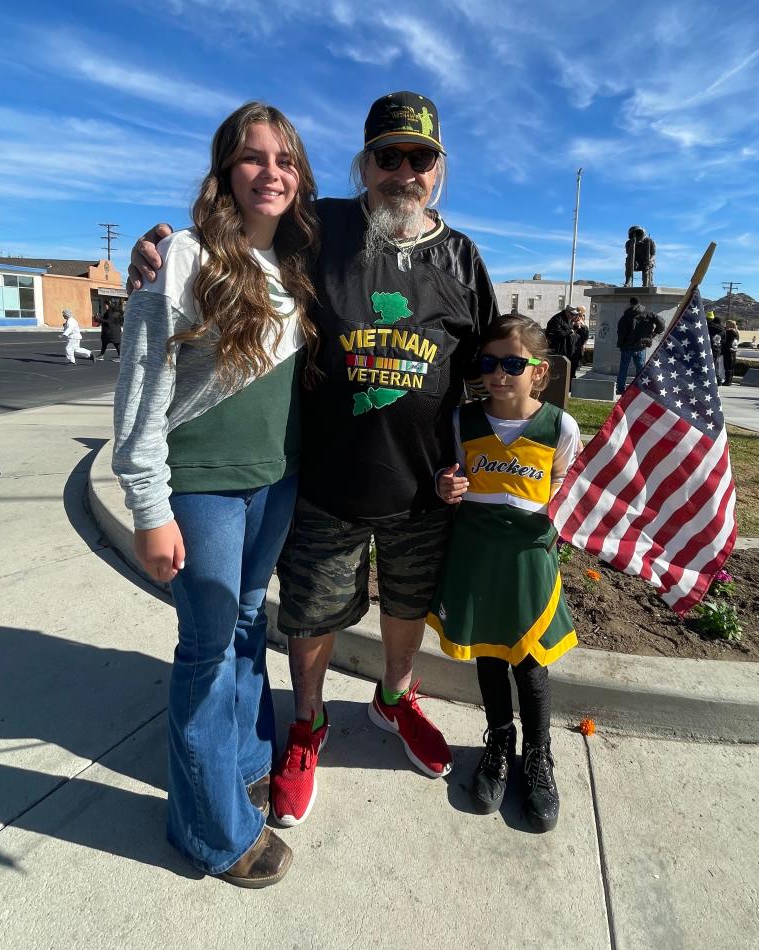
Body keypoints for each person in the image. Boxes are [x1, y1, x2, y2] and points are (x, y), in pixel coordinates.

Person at [127, 91, 499, 828]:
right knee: (310, 612)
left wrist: (496, 461)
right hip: (324, 479)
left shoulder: (462, 257)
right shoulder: (317, 227)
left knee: (404, 607)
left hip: (422, 485)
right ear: (364, 164)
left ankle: (395, 698)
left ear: (438, 170)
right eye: (387, 156)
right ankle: (307, 722)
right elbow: (238, 240)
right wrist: (159, 251)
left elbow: (488, 369)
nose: (403, 172)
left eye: (418, 158)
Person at [112, 102, 320, 887]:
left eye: (286, 160)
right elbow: (141, 386)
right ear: (225, 172)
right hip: (199, 488)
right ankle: (209, 832)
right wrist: (148, 507)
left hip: (275, 481)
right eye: (254, 158)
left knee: (242, 625)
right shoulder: (183, 258)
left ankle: (239, 764)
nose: (271, 172)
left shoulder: (293, 266)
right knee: (205, 648)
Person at [428, 314, 580, 830]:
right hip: (476, 555)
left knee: (531, 663)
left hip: (528, 562)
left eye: (512, 363)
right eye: (489, 363)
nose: (498, 373)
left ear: (538, 371)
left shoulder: (560, 425)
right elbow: (451, 476)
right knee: (489, 655)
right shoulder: (463, 420)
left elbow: (563, 488)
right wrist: (444, 486)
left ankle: (539, 755)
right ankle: (500, 741)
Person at [615, 296, 664, 395]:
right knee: (640, 369)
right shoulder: (649, 314)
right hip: (641, 346)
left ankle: (620, 389)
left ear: (631, 304)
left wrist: (620, 345)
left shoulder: (625, 316)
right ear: (639, 303)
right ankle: (638, 388)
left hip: (627, 347)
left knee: (623, 368)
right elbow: (661, 323)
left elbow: (621, 333)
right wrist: (654, 334)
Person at [706, 310, 725, 384]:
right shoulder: (723, 329)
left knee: (709, 365)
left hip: (709, 348)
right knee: (715, 365)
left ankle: (711, 380)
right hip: (717, 349)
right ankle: (718, 379)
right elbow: (724, 341)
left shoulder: (707, 327)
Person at [722, 319, 740, 386]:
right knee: (731, 367)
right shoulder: (736, 332)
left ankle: (727, 381)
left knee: (728, 366)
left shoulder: (729, 332)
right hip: (734, 351)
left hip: (728, 351)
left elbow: (726, 342)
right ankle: (730, 380)